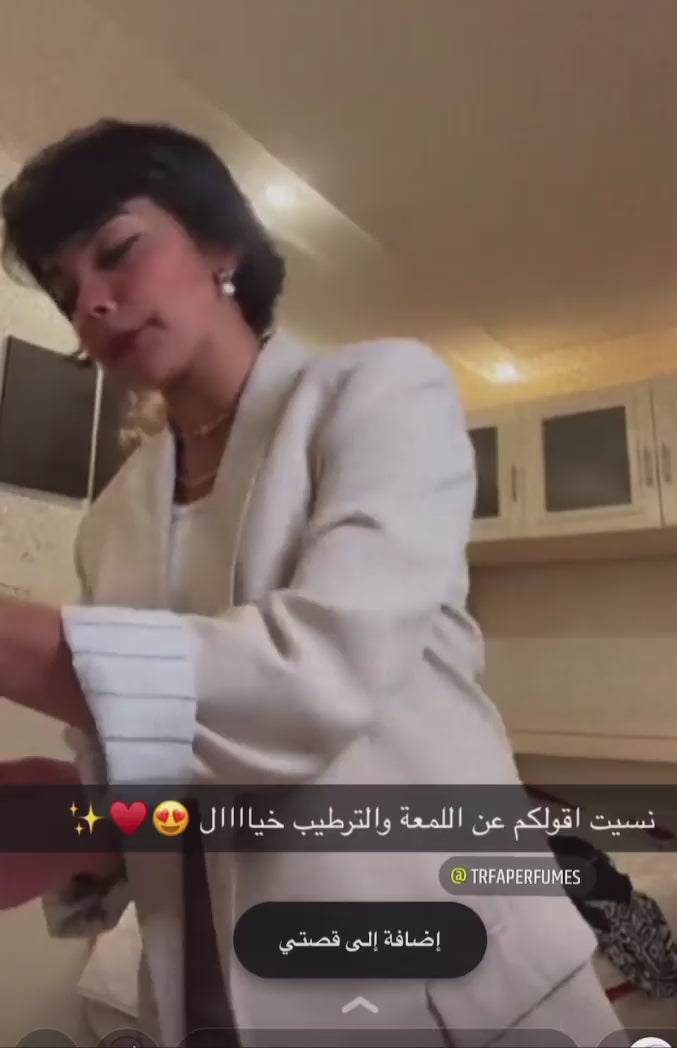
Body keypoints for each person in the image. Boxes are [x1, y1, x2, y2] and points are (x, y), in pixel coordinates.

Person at [0, 121, 625, 1047]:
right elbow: (168, 766)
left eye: (118, 251)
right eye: (63, 290)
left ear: (220, 244)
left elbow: (312, 679)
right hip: (213, 1002)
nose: (91, 301)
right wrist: (77, 820)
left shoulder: (380, 393)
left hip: (457, 995)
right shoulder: (114, 517)